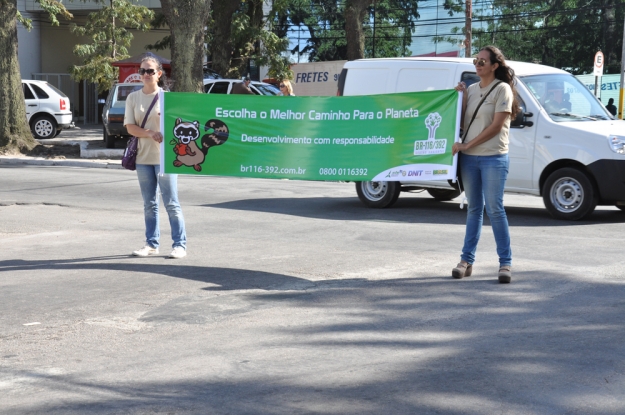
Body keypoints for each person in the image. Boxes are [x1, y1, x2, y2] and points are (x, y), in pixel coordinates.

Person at [451, 46, 520, 283]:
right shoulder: (470, 89)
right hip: (470, 159)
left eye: (483, 61)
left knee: (495, 209)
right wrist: (458, 98)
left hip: (493, 158)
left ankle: (505, 263)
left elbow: (496, 127)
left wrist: (468, 146)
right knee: (473, 209)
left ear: (494, 66)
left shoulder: (502, 90)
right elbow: (461, 124)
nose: (478, 64)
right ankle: (466, 260)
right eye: (476, 60)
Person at [124, 56, 187, 259]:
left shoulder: (168, 98)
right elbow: (130, 127)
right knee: (149, 204)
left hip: (165, 158)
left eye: (150, 71)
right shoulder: (133, 98)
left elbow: (180, 126)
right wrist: (150, 133)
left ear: (159, 74)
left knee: (171, 202)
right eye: (142, 71)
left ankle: (179, 245)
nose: (145, 75)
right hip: (143, 158)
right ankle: (151, 244)